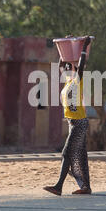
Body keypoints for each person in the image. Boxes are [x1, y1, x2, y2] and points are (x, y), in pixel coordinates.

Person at [44, 36, 92, 196]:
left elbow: (82, 64)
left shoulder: (77, 81)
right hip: (73, 123)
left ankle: (58, 186)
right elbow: (61, 63)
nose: (66, 69)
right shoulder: (67, 83)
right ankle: (86, 187)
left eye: (70, 67)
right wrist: (63, 48)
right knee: (79, 155)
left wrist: (84, 46)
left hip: (79, 123)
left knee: (67, 152)